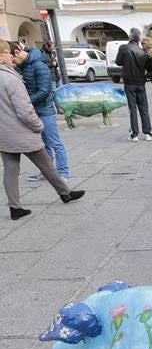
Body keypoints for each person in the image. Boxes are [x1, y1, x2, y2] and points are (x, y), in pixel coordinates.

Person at [0, 40, 84, 219]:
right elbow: (24, 109)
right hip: (21, 130)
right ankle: (65, 193)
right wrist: (37, 126)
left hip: (4, 133)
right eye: (7, 53)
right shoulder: (10, 78)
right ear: (2, 55)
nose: (10, 56)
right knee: (45, 163)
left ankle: (15, 208)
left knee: (10, 169)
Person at [11, 43, 70, 181]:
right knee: (44, 144)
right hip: (34, 109)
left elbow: (44, 91)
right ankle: (47, 172)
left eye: (13, 59)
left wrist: (25, 102)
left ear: (17, 52)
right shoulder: (24, 65)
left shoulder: (39, 65)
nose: (13, 62)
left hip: (45, 109)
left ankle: (63, 173)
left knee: (55, 142)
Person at [116, 28, 152, 142]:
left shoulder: (124, 48)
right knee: (144, 108)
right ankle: (148, 133)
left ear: (130, 36)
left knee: (132, 109)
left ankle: (134, 134)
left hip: (129, 82)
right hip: (141, 82)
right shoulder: (142, 51)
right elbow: (146, 67)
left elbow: (118, 62)